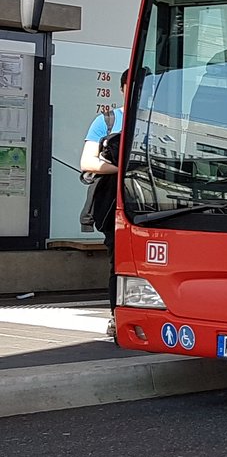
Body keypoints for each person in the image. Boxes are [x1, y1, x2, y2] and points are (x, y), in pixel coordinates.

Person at [81, 69, 127, 338]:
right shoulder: (108, 121)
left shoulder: (162, 121)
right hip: (115, 207)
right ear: (123, 87)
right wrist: (124, 168)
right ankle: (116, 316)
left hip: (156, 203)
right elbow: (87, 162)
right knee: (118, 262)